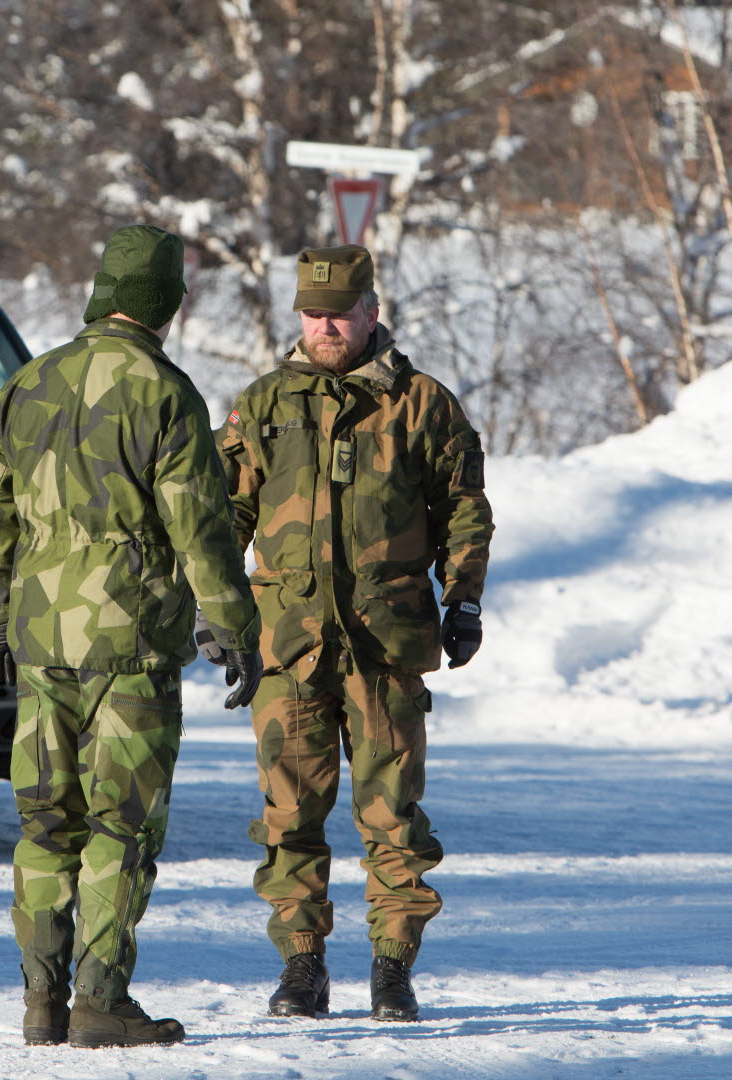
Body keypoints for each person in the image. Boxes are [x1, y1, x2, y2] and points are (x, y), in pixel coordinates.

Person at [0, 224, 261, 1049]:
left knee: (44, 824)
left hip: (38, 640)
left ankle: (40, 1001)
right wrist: (234, 625)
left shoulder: (27, 385)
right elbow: (200, 531)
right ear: (166, 301)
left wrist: (4, 611)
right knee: (120, 826)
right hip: (129, 646)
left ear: (103, 292)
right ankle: (100, 1001)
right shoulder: (165, 393)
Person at [215, 244, 494, 1022]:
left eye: (339, 312)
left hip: (386, 643)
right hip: (289, 649)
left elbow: (464, 510)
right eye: (312, 313)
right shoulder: (263, 404)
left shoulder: (420, 403)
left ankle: (392, 969)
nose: (325, 326)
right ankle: (301, 969)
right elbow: (222, 516)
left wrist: (463, 599)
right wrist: (217, 611)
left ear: (373, 310)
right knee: (288, 819)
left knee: (394, 818)